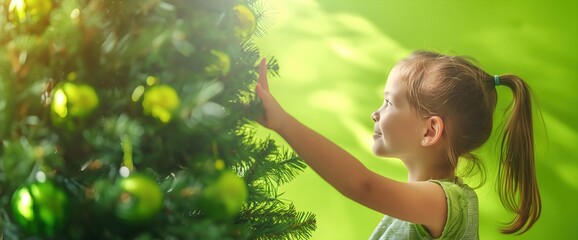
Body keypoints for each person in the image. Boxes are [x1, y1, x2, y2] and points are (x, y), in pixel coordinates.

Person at [254, 50, 541, 239]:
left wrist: (282, 122)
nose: (375, 113)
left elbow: (361, 184)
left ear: (430, 131)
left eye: (389, 102)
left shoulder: (444, 202)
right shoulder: (441, 202)